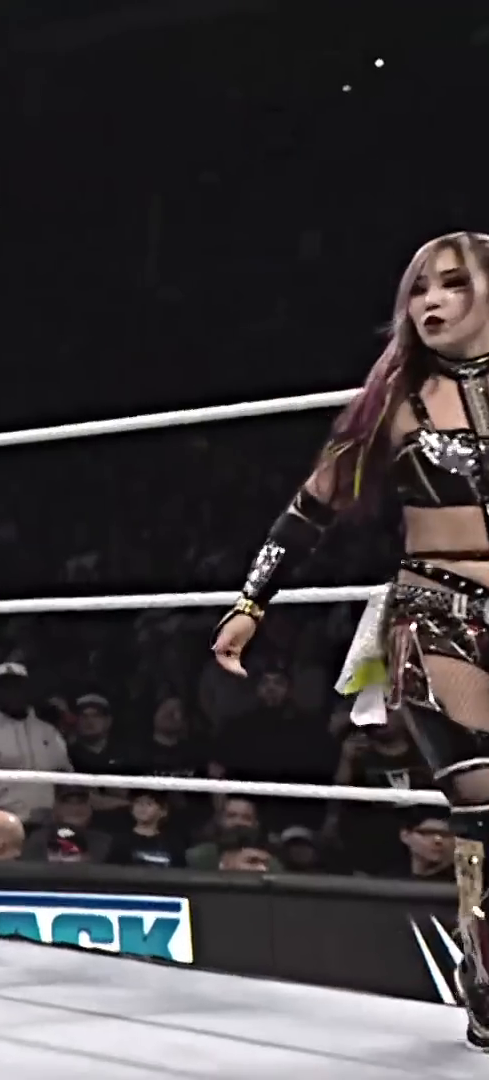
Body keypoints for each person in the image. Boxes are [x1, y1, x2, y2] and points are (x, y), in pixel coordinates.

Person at [211, 231, 489, 1049]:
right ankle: (486, 978)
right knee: (481, 798)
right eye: (419, 289)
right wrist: (251, 602)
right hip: (438, 612)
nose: (432, 302)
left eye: (453, 284)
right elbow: (312, 505)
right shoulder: (395, 399)